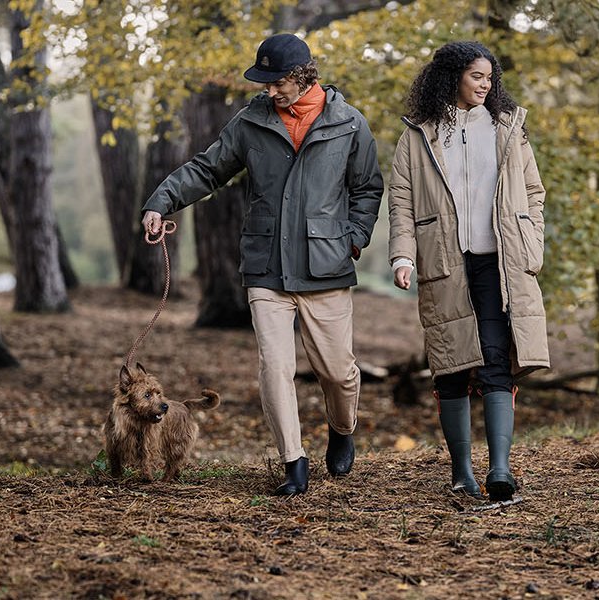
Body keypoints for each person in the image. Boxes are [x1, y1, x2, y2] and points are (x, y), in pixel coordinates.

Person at [140, 33, 383, 496]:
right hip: (266, 265)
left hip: (326, 265)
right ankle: (293, 460)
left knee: (338, 371)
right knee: (275, 367)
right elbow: (207, 169)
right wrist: (161, 201)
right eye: (265, 83)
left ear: (301, 76)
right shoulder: (251, 121)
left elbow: (368, 187)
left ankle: (342, 427)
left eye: (277, 83)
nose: (269, 91)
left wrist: (353, 238)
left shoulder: (349, 124)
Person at [387, 41, 550, 502]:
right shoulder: (418, 136)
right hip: (443, 262)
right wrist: (402, 255)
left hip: (498, 263)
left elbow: (534, 192)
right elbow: (401, 202)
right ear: (452, 76)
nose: (486, 84)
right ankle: (462, 472)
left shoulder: (507, 128)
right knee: (451, 367)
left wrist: (529, 240)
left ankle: (500, 470)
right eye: (477, 76)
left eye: (490, 77)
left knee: (498, 360)